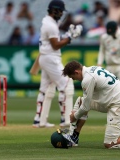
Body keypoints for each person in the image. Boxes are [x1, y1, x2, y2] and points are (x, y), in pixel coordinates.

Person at [53, 60, 120, 149]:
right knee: (81, 101)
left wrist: (74, 116)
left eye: (72, 77)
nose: (73, 80)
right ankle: (73, 137)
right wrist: (75, 115)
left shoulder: (87, 79)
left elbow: (86, 107)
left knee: (110, 144)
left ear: (76, 72)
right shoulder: (92, 69)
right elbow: (86, 104)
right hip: (112, 102)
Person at [32, 0, 82, 128]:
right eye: (60, 11)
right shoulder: (50, 25)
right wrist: (70, 38)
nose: (61, 14)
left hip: (46, 57)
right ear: (54, 10)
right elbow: (55, 45)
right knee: (67, 84)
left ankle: (39, 120)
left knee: (46, 88)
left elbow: (56, 40)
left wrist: (67, 35)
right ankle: (66, 119)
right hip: (51, 58)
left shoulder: (48, 22)